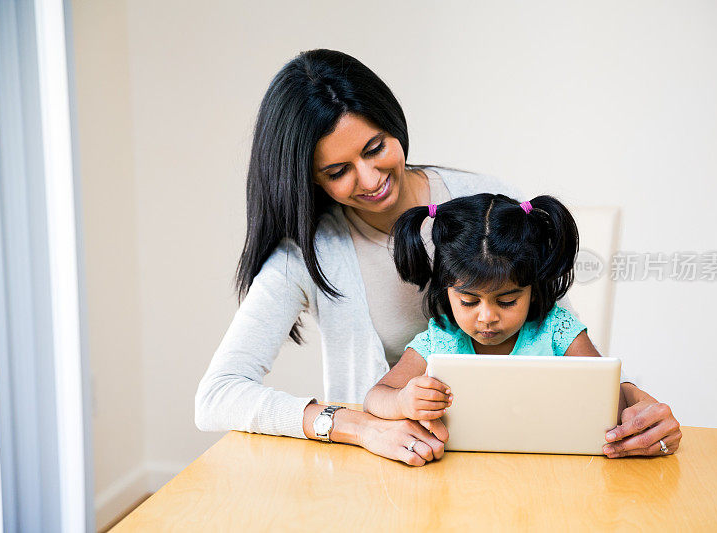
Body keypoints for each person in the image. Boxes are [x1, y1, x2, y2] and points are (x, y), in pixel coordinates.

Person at [194, 48, 681, 466]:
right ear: (310, 180)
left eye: (376, 147)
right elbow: (217, 396)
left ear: (393, 123)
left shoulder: (486, 207)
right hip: (398, 473)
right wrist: (360, 428)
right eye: (339, 170)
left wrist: (638, 406)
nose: (369, 179)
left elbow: (559, 343)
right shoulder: (307, 253)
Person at [365, 194, 614, 440]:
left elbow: (609, 399)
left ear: (534, 291)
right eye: (469, 301)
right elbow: (375, 397)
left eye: (507, 301)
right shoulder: (439, 341)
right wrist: (402, 401)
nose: (487, 317)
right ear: (446, 290)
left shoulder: (557, 330)